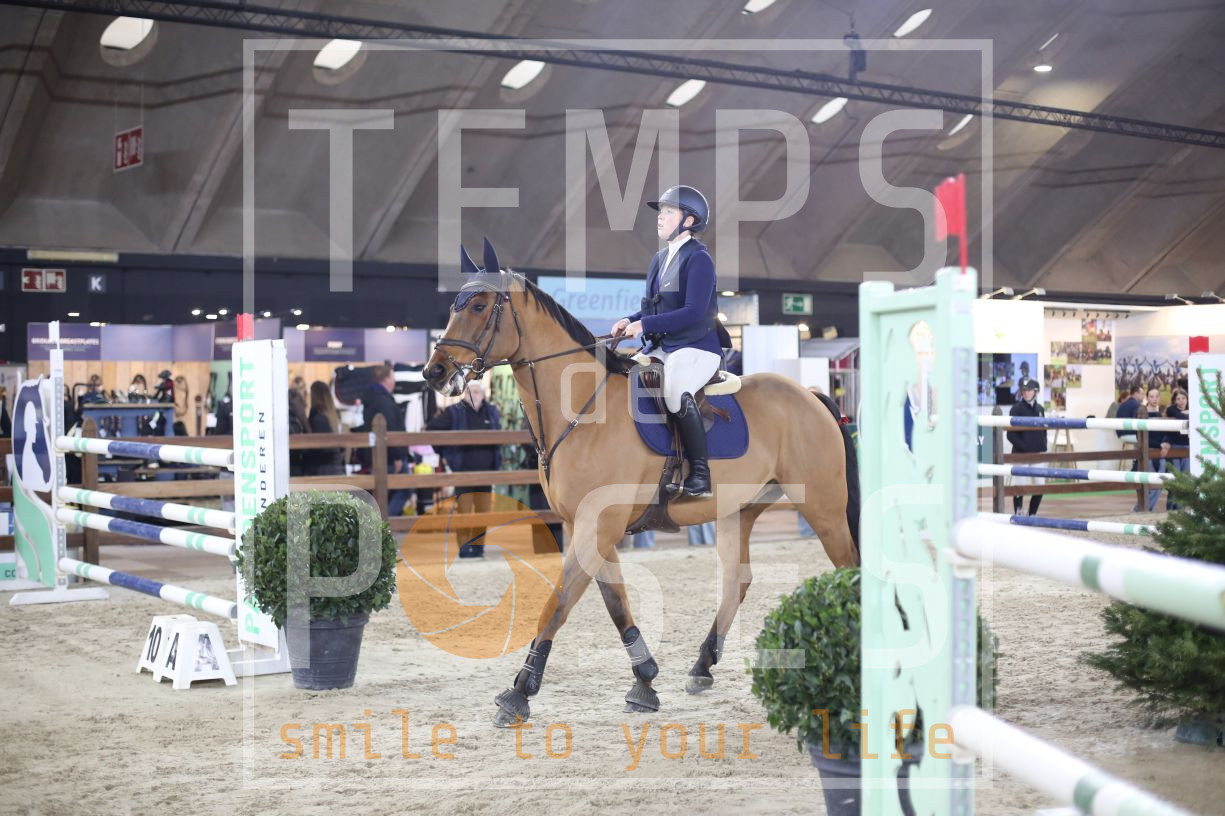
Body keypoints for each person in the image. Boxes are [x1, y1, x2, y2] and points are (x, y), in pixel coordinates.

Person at [612, 184, 726, 500]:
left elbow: (693, 312)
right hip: (665, 347)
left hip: (697, 346)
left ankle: (700, 475)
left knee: (676, 391)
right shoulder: (660, 258)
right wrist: (629, 320)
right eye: (660, 212)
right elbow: (655, 307)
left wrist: (644, 324)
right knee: (624, 378)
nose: (660, 218)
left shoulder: (699, 259)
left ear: (689, 221)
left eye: (668, 212)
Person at [427, 380, 502, 558]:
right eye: (470, 392)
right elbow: (432, 428)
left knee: (483, 513)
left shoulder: (491, 412)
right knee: (464, 512)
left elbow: (499, 434)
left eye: (477, 392)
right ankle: (464, 548)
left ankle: (478, 547)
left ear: (483, 394)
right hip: (463, 471)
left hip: (486, 472)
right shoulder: (454, 411)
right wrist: (443, 453)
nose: (473, 395)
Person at [360, 365, 410, 517]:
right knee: (405, 488)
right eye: (393, 377)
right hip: (389, 456)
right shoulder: (384, 401)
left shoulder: (373, 398)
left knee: (383, 493)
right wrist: (397, 456)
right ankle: (383, 522)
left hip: (376, 455)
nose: (394, 381)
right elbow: (391, 429)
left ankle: (381, 521)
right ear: (387, 379)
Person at [1006, 379, 1046, 517]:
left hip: (1037, 454)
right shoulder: (1016, 409)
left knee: (1040, 486)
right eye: (1024, 390)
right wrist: (1024, 447)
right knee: (1020, 485)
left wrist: (1042, 445)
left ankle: (1032, 514)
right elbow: (1010, 435)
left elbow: (1043, 430)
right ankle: (1018, 513)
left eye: (1029, 390)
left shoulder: (1040, 409)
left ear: (1036, 392)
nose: (1026, 393)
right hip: (1020, 454)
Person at [306, 380, 345, 476]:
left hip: (323, 468)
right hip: (335, 466)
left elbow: (321, 447)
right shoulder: (332, 416)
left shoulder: (318, 418)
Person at [1162, 388, 1190, 511]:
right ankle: (1170, 506)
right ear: (1174, 400)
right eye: (1178, 399)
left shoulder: (1192, 410)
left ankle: (1180, 506)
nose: (1181, 401)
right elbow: (1180, 417)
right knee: (1175, 476)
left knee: (1185, 477)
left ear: (1187, 399)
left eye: (1183, 398)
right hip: (1174, 447)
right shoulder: (1171, 409)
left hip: (1187, 447)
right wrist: (1188, 414)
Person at [287, 388, 310, 477]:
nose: (305, 405)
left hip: (296, 467)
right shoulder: (290, 422)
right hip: (292, 468)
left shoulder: (296, 420)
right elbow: (298, 448)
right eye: (301, 402)